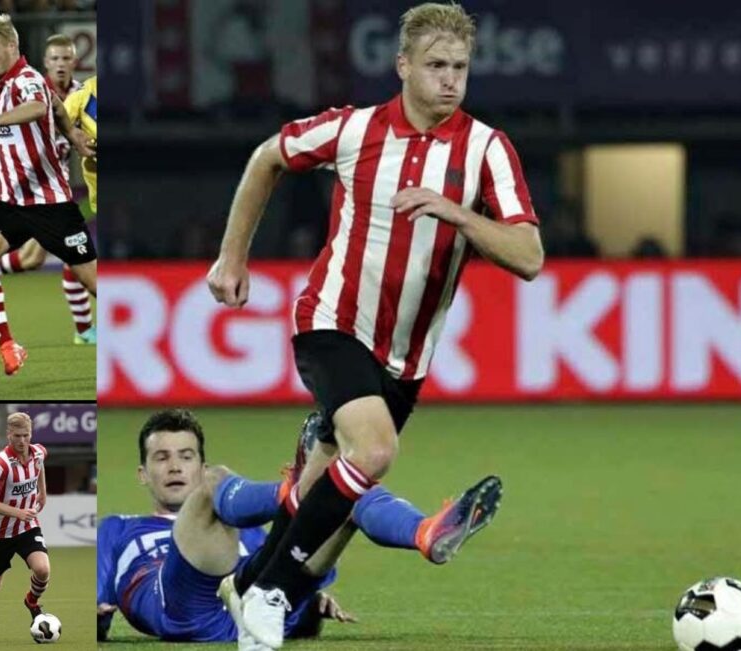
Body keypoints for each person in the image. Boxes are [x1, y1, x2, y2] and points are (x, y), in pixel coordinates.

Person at [206, 4, 542, 647]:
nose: (450, 79)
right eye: (436, 65)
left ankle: (248, 588)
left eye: (460, 67)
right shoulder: (354, 130)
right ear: (403, 66)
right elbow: (267, 157)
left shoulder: (487, 149)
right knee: (375, 452)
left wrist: (457, 213)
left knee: (324, 487)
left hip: (406, 357)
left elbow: (529, 256)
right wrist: (232, 256)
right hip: (332, 320)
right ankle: (274, 593)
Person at [96, 409, 501, 649]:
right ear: (142, 474)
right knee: (229, 484)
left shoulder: (245, 523)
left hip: (250, 606)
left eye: (186, 456)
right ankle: (299, 488)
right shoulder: (116, 529)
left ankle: (424, 532)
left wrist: (310, 602)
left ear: (197, 465)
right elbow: (95, 605)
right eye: (162, 458)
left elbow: (287, 559)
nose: (174, 466)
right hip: (181, 606)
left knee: (345, 487)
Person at [0, 14, 97, 375]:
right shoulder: (2, 83)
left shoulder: (27, 80)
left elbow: (39, 106)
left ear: (12, 46)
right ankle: (9, 347)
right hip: (9, 201)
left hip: (50, 204)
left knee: (94, 282)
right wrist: (73, 135)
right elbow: (55, 106)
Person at [0, 34, 97, 345]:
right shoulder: (32, 91)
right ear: (46, 62)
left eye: (66, 58)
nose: (61, 64)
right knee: (42, 258)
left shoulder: (83, 96)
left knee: (59, 257)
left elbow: (78, 132)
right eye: (55, 59)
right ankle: (84, 330)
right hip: (34, 188)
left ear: (75, 62)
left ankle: (84, 330)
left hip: (64, 188)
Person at [0, 412, 50, 641]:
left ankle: (31, 601)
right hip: (0, 533)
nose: (22, 440)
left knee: (43, 570)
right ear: (9, 434)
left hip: (27, 527)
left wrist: (42, 492)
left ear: (31, 434)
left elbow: (40, 466)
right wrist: (19, 513)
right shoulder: (1, 464)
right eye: (17, 436)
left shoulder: (38, 452)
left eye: (26, 435)